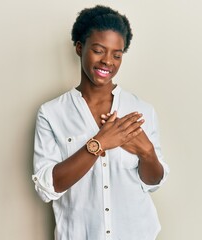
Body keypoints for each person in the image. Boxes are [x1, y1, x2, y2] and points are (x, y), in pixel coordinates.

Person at [32, 5, 169, 240]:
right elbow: (48, 187)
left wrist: (147, 153)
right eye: (98, 50)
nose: (108, 62)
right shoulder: (52, 113)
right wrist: (98, 144)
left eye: (117, 55)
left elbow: (153, 182)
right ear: (79, 47)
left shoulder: (141, 111)